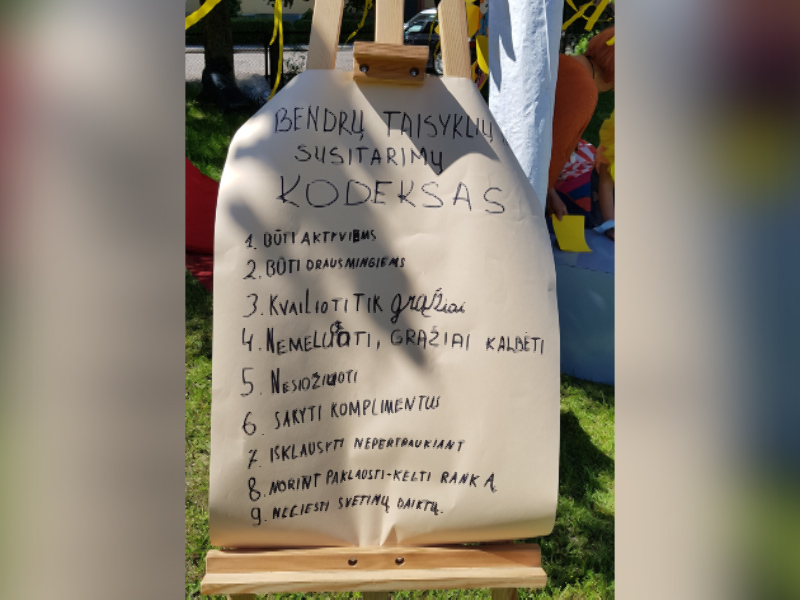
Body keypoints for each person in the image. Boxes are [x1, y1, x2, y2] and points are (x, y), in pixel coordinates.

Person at [546, 27, 615, 230]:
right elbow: (553, 150)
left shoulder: (564, 63)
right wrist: (546, 192)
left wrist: (550, 192)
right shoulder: (583, 88)